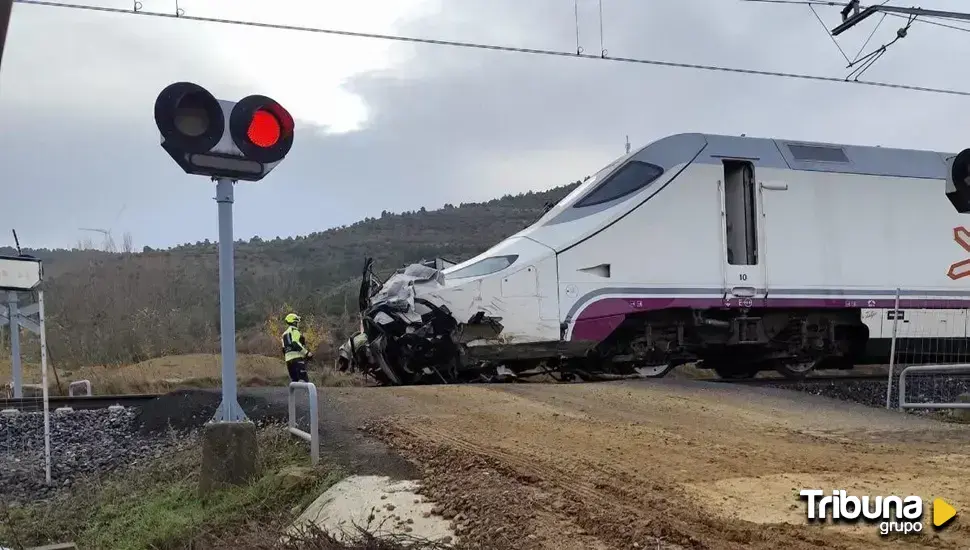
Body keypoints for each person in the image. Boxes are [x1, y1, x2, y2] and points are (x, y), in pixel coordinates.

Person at [281, 312, 312, 382]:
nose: (298, 324)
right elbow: (295, 343)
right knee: (304, 381)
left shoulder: (284, 334)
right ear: (295, 322)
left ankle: (295, 393)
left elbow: (283, 349)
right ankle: (307, 393)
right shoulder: (295, 331)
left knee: (294, 381)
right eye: (297, 322)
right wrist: (307, 353)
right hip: (297, 359)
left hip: (288, 361)